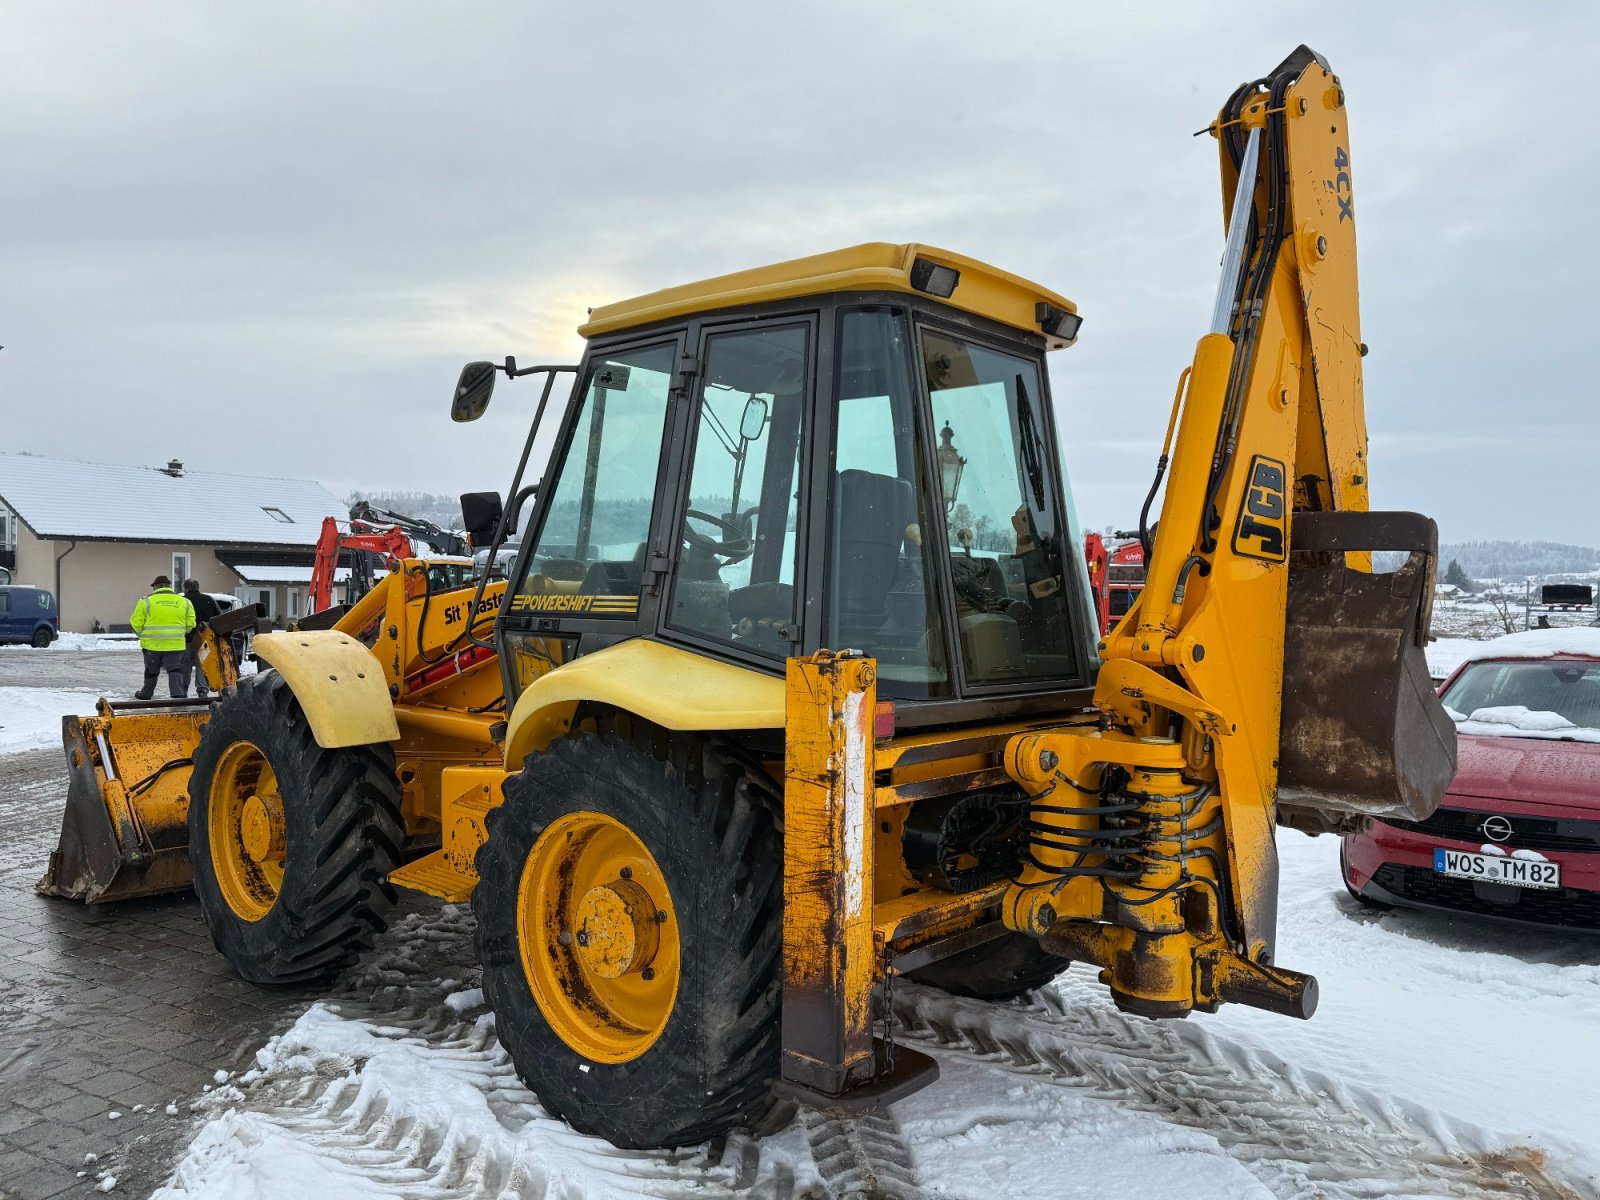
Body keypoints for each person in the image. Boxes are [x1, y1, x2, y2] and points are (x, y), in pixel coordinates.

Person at [131, 575, 196, 700]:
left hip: (152, 645)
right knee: (175, 670)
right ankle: (178, 695)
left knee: (151, 670)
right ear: (169, 586)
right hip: (175, 644)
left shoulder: (145, 601)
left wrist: (143, 636)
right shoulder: (184, 602)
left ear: (155, 586)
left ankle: (146, 693)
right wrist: (180, 634)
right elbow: (191, 624)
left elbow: (136, 623)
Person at [181, 578, 223, 698]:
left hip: (186, 638)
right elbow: (218, 618)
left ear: (185, 588)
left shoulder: (182, 601)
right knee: (202, 663)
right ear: (198, 588)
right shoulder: (208, 600)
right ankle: (202, 689)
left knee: (185, 664)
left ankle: (183, 690)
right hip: (204, 638)